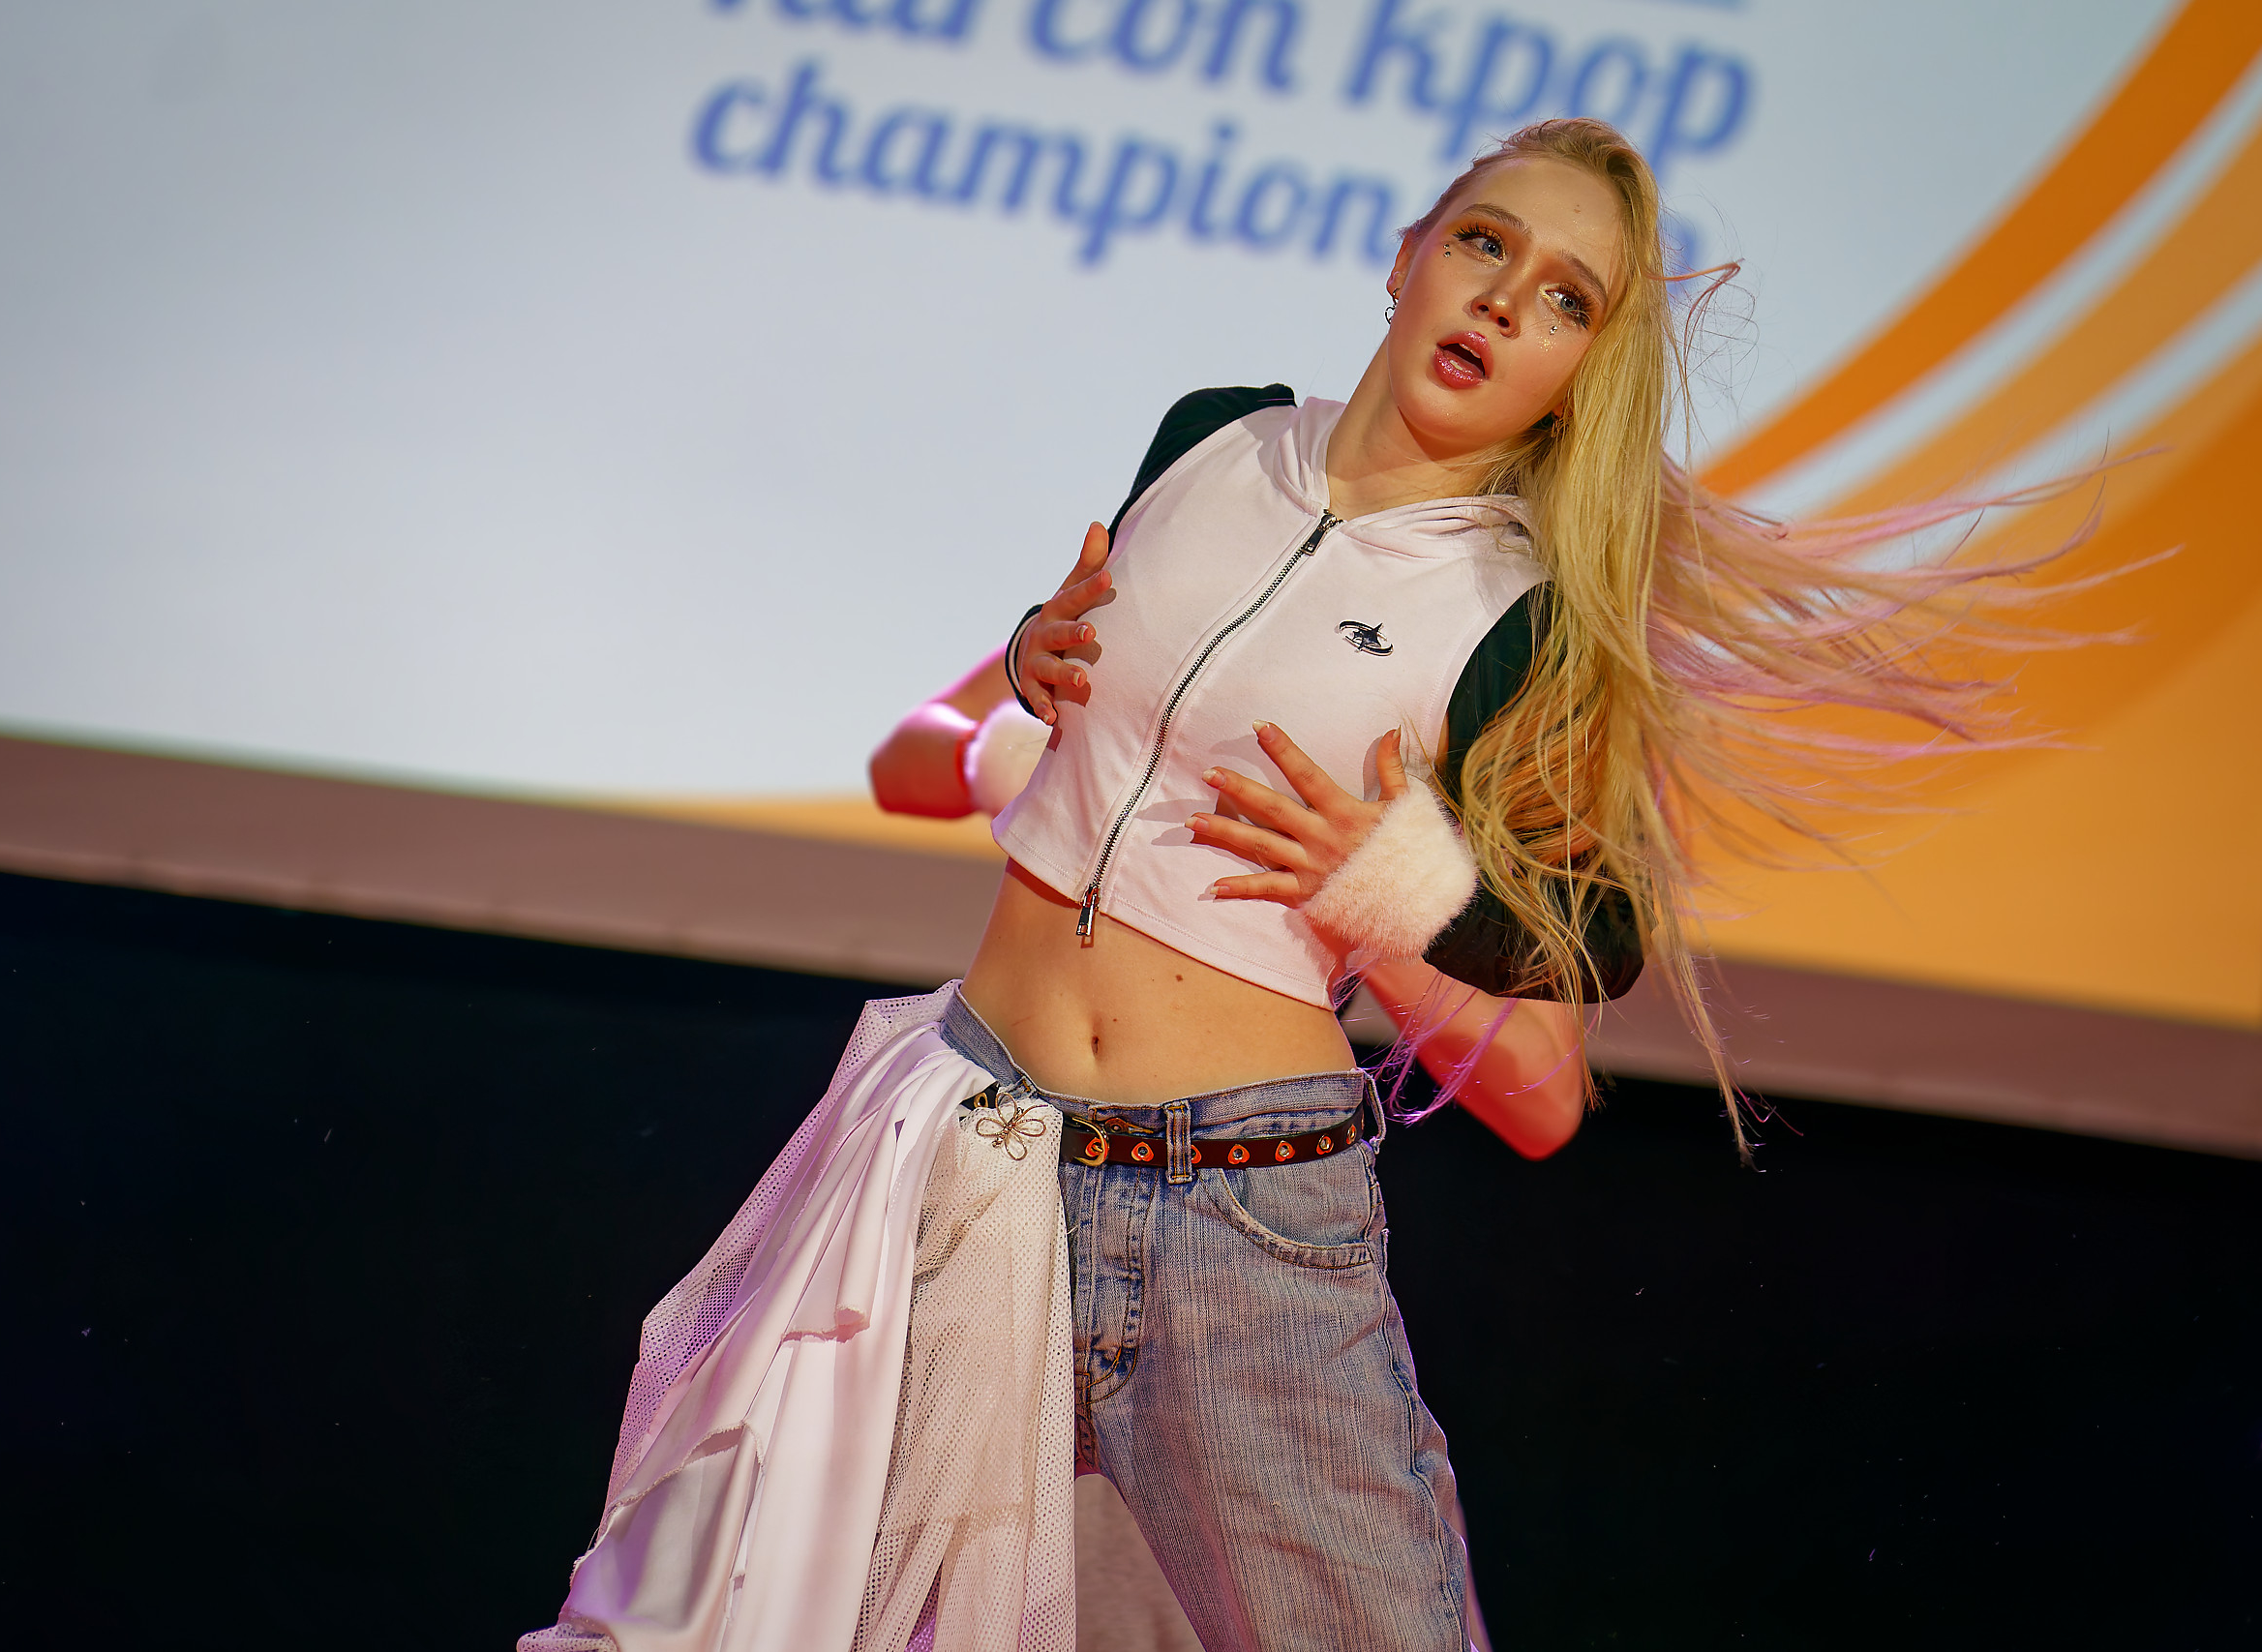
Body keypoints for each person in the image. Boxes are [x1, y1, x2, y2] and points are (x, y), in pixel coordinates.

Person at [521, 117, 2053, 1652]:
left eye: (1567, 300)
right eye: (1484, 242)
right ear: (1404, 257)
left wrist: (1389, 883)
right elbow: (951, 739)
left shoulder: (1521, 614)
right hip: (974, 1153)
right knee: (715, 1613)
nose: (1505, 298)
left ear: (1579, 372)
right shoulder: (1211, 443)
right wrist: (1025, 686)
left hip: (1235, 1221)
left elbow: (1585, 982)